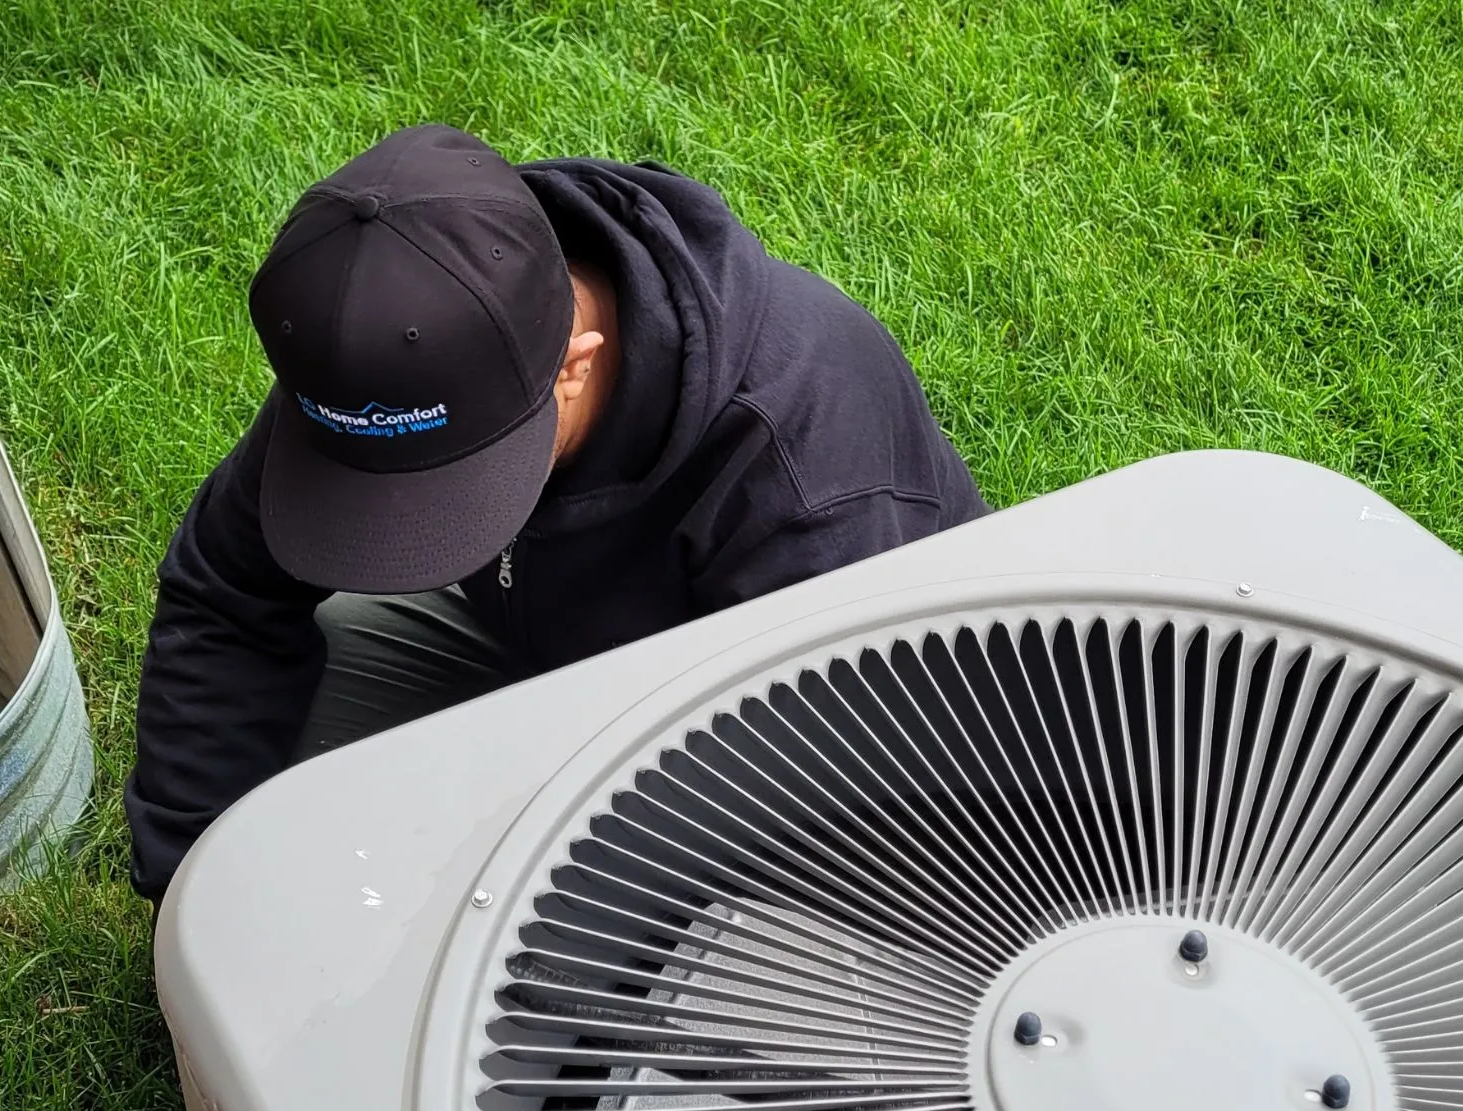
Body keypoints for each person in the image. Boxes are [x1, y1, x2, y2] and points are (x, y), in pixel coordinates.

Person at [126, 124, 988, 901]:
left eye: (455, 481)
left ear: (575, 362)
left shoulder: (805, 471)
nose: (419, 512)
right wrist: (192, 893)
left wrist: (533, 923)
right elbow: (226, 593)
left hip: (814, 749)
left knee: (729, 973)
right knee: (273, 800)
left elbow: (840, 789)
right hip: (539, 643)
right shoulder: (411, 341)